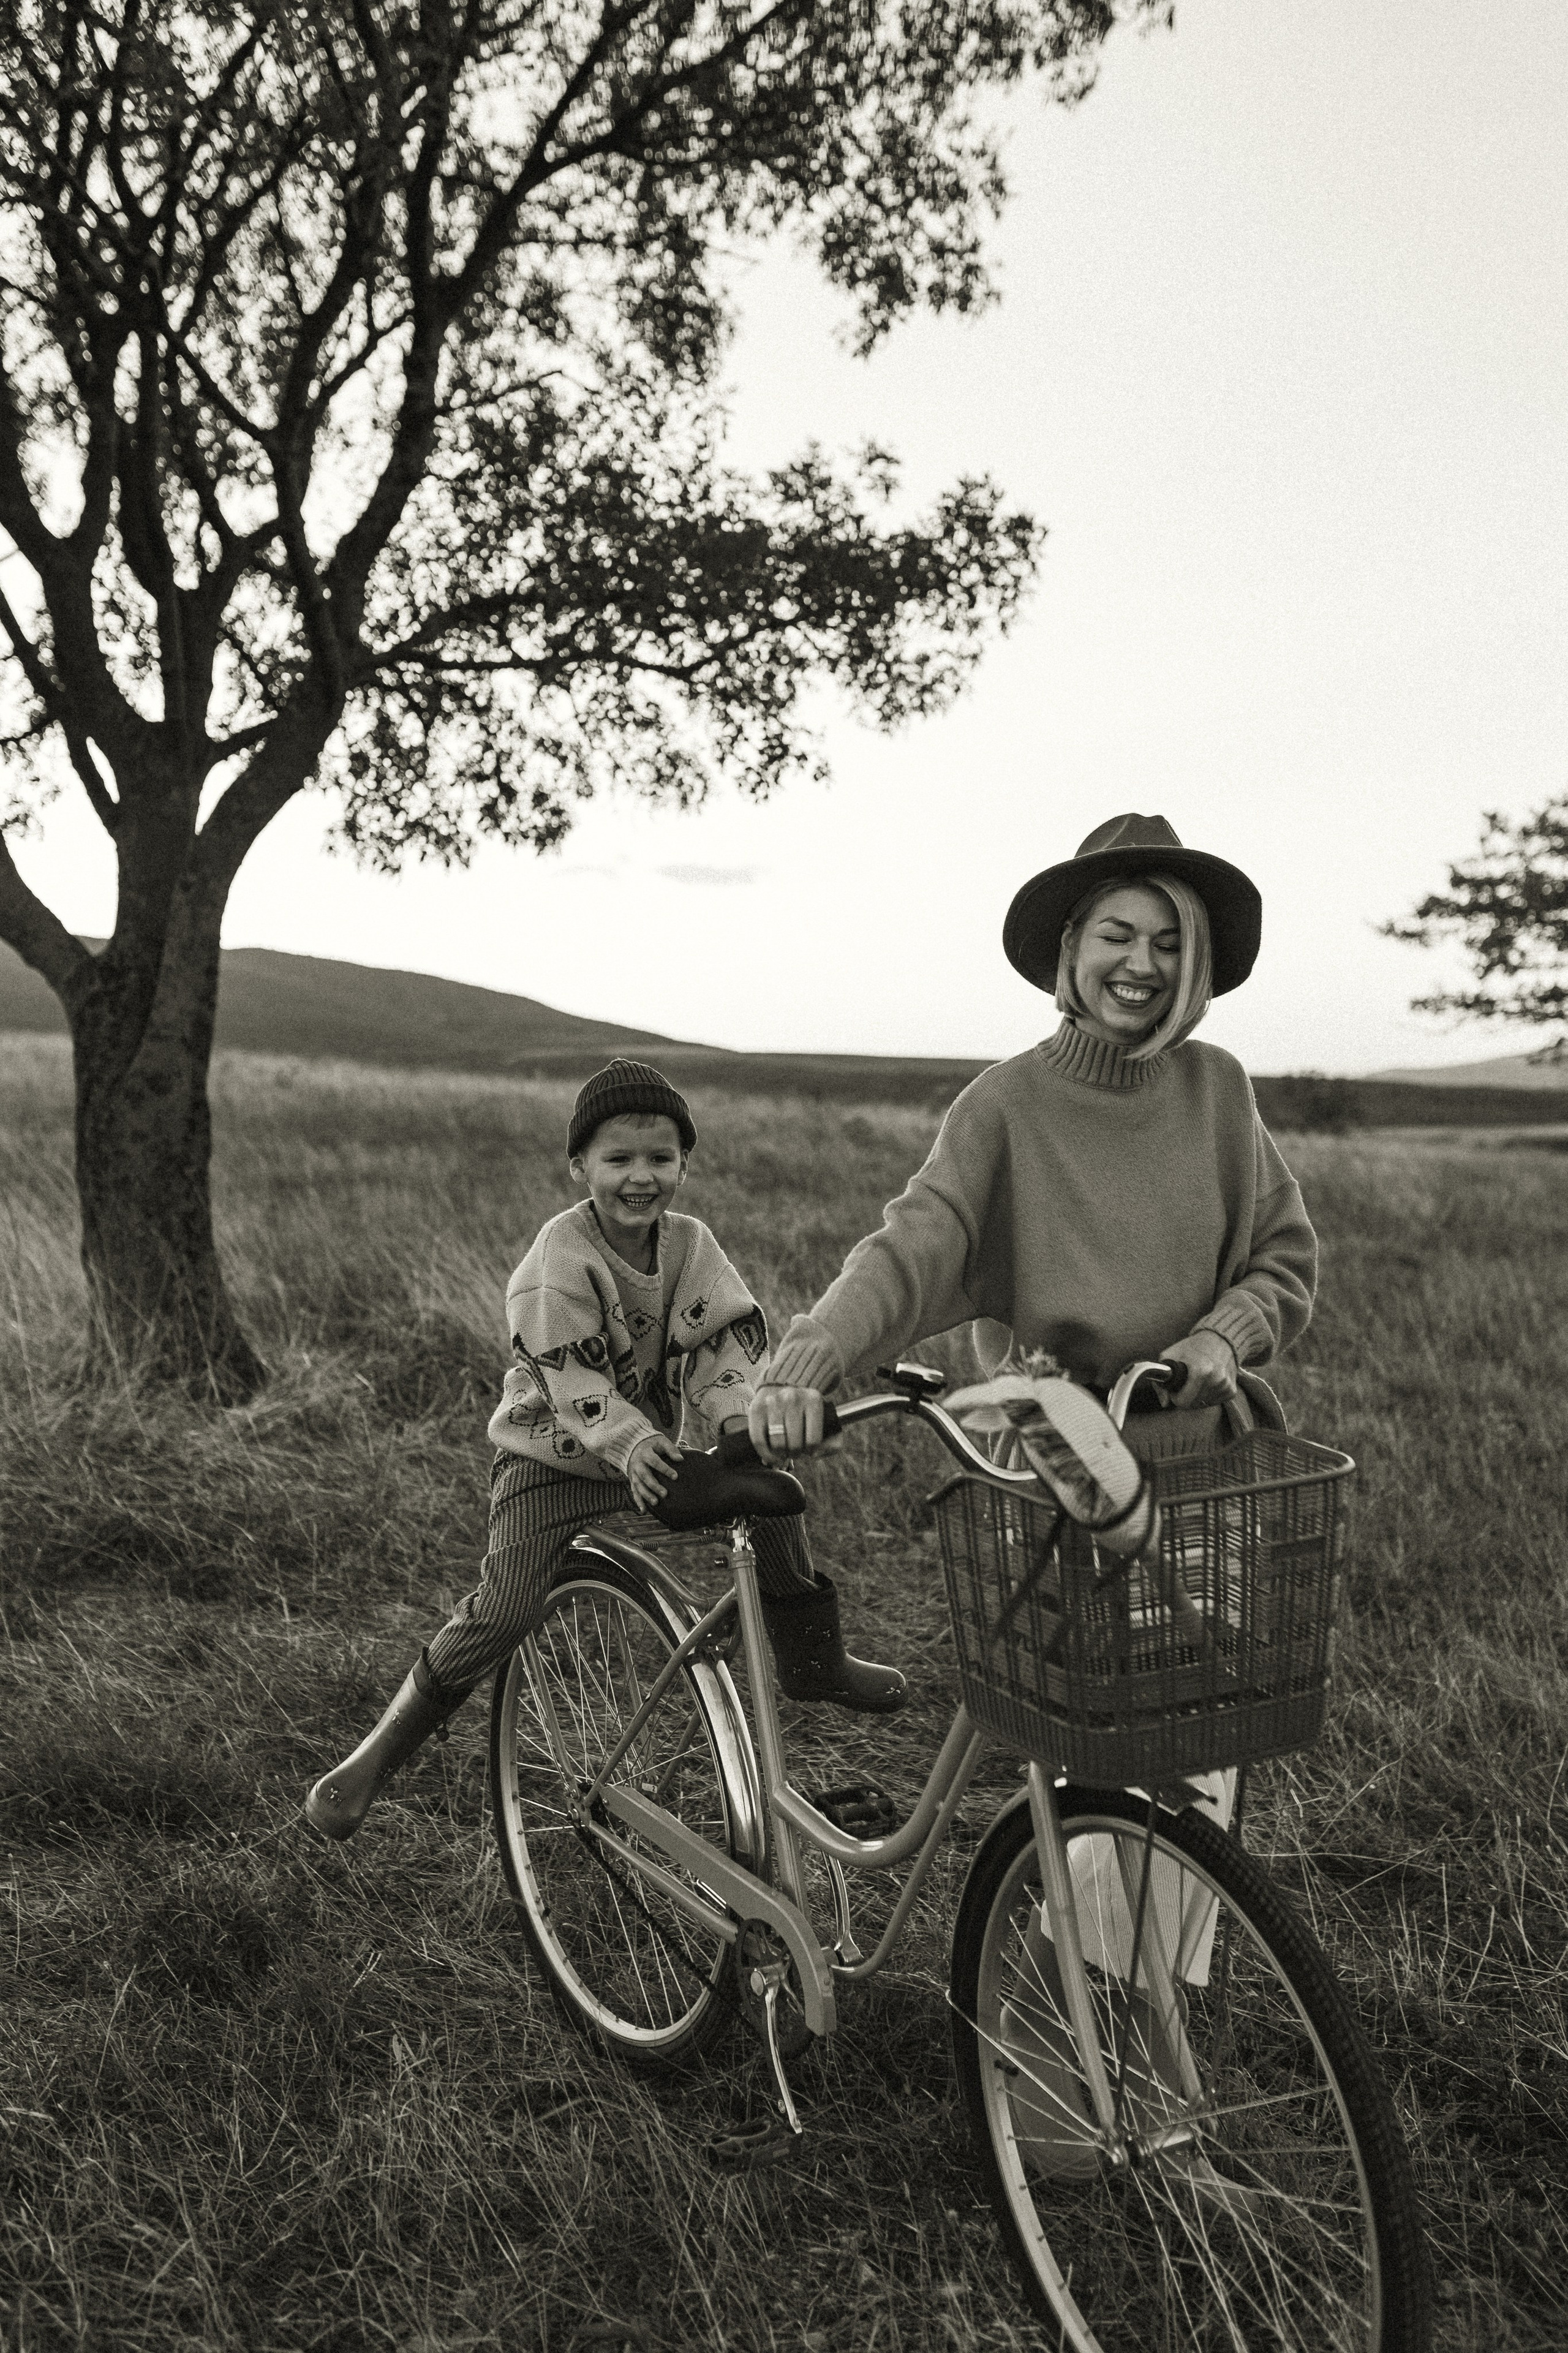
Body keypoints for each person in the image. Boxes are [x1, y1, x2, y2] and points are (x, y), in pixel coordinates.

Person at [745, 811, 1317, 2170]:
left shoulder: (1218, 1091)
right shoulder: (1003, 1103)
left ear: (1196, 968)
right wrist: (809, 1359)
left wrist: (1211, 1343)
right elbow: (914, 1247)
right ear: (1067, 951)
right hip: (1052, 1469)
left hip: (1206, 1469)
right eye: (1114, 934)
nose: (1138, 961)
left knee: (1199, 1779)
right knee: (1094, 1765)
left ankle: (1136, 2028)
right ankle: (1066, 2068)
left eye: (1164, 942)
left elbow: (1283, 1265)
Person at [306, 1060, 904, 1842]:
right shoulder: (561, 1257)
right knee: (506, 1608)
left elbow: (725, 1336)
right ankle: (375, 1757)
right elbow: (573, 1373)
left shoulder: (690, 1244)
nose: (640, 1176)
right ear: (579, 1167)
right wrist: (630, 1441)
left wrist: (738, 1422)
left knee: (772, 1489)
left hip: (650, 1454)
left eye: (660, 1158)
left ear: (684, 1164)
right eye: (618, 1159)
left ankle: (811, 1655)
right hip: (552, 1459)